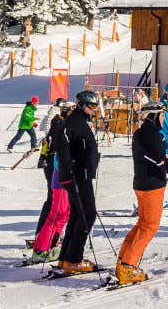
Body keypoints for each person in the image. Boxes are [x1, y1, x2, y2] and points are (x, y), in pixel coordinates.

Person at [115, 100, 168, 285]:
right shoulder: (150, 135)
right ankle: (127, 266)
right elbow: (164, 162)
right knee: (149, 226)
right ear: (153, 116)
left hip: (145, 182)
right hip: (150, 185)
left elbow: (161, 147)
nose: (164, 118)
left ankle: (124, 261)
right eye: (162, 115)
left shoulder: (147, 133)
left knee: (143, 224)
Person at [52, 90, 102, 274]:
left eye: (96, 106)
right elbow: (63, 149)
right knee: (87, 215)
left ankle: (65, 259)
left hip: (80, 174)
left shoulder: (78, 121)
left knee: (76, 215)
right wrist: (70, 173)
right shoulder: (75, 122)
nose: (94, 109)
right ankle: (74, 260)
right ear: (81, 104)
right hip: (78, 176)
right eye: (92, 106)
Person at [32, 99, 73, 256]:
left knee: (62, 212)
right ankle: (42, 245)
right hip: (57, 170)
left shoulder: (63, 124)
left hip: (60, 170)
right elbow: (52, 139)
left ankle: (51, 241)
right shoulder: (59, 124)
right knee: (55, 209)